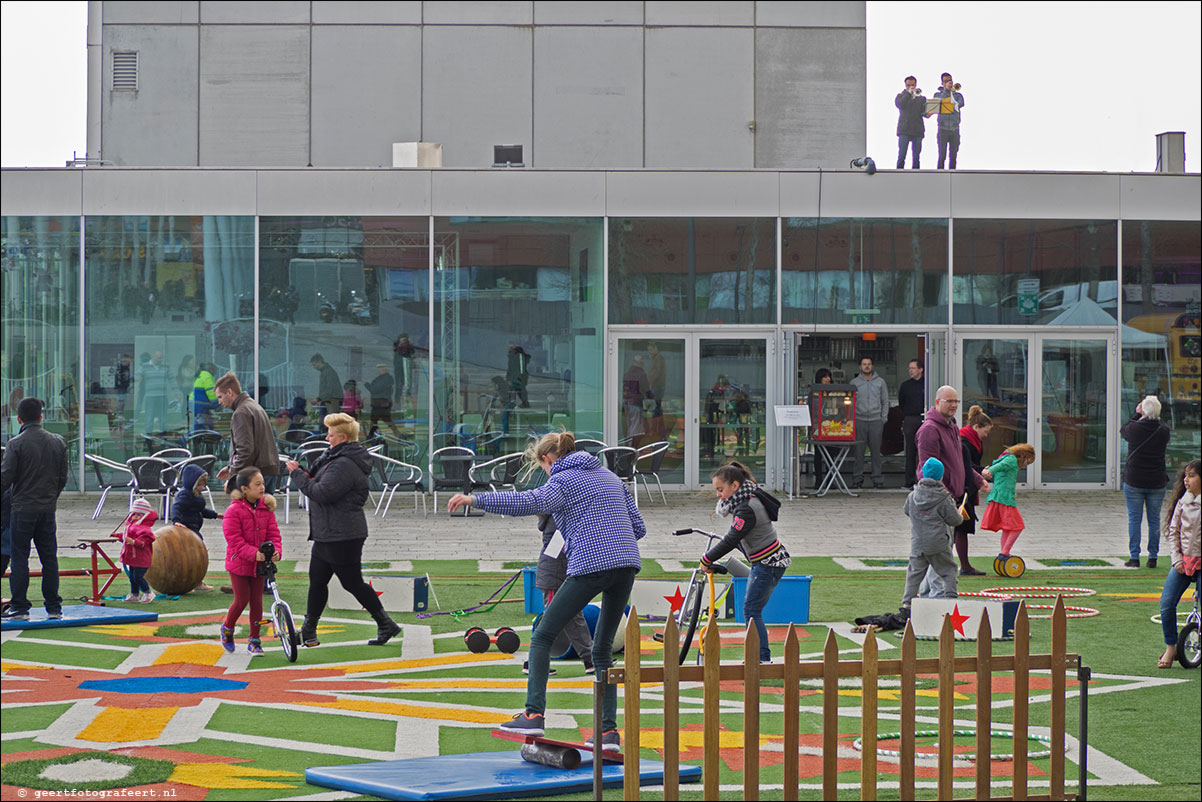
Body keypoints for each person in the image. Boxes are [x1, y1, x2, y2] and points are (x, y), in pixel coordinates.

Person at [447, 431, 645, 750]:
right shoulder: (609, 476)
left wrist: (476, 498)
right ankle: (608, 733)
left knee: (542, 636)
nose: (546, 473)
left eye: (543, 468)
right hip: (626, 565)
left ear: (548, 459)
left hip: (591, 565)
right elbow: (639, 528)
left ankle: (533, 714)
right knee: (602, 650)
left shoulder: (562, 481)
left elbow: (526, 501)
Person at [286, 413, 402, 648]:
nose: (327, 437)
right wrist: (302, 473)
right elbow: (319, 484)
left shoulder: (344, 464)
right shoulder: (337, 459)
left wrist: (297, 475)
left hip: (341, 534)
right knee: (317, 581)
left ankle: (385, 623)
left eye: (330, 433)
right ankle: (309, 630)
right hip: (330, 532)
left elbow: (322, 493)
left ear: (342, 437)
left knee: (352, 583)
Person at [702, 461, 790, 664]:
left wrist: (707, 558)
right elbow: (736, 537)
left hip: (767, 563)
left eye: (720, 489)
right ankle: (760, 656)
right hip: (768, 561)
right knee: (752, 608)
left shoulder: (746, 508)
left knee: (751, 610)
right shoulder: (749, 498)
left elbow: (732, 538)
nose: (718, 495)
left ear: (734, 485)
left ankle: (762, 658)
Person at [0, 398, 68, 621]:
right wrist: (50, 498)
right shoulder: (58, 442)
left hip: (21, 508)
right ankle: (54, 606)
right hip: (47, 509)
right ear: (41, 416)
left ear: (18, 419)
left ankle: (20, 606)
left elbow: (6, 477)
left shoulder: (15, 444)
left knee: (20, 557)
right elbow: (62, 479)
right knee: (49, 558)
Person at [220, 467, 282, 656]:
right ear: (245, 489)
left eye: (263, 483)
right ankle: (227, 628)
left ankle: (255, 640)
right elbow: (234, 540)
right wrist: (253, 553)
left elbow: (273, 534)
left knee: (257, 601)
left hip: (260, 564)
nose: (262, 487)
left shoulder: (266, 508)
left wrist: (276, 551)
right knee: (241, 600)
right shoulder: (234, 511)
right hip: (240, 564)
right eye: (258, 484)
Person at [529, 513, 594, 676]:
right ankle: (532, 662)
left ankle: (590, 659)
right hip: (554, 579)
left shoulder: (559, 517)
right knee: (551, 621)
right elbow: (560, 550)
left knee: (575, 617)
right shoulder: (559, 520)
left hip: (561, 578)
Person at [900, 457, 964, 613]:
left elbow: (907, 511)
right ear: (941, 477)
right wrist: (959, 513)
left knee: (914, 574)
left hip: (918, 543)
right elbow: (955, 520)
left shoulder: (912, 496)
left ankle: (907, 604)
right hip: (938, 543)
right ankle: (951, 601)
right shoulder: (943, 498)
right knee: (948, 570)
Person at [1158, 460, 1201, 668]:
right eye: (1185, 475)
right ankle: (1171, 647)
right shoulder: (1183, 503)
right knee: (1166, 603)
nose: (1186, 480)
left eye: (1192, 475)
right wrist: (1177, 561)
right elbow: (1173, 533)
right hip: (1184, 562)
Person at [1121, 395, 1171, 567]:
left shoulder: (1134, 429)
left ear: (1142, 410)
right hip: (1157, 481)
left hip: (1134, 480)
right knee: (1154, 519)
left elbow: (1123, 430)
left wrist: (1137, 415)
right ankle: (1153, 557)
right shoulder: (1164, 431)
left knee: (1134, 519)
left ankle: (1134, 557)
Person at [213, 372, 281, 494]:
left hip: (254, 475)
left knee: (248, 512)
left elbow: (245, 450)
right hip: (267, 470)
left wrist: (233, 473)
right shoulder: (253, 406)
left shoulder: (241, 412)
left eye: (220, 397)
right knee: (263, 512)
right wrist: (230, 468)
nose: (219, 402)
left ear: (229, 392)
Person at [980, 443, 1037, 563]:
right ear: (1023, 456)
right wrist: (988, 472)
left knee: (1008, 528)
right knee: (1018, 526)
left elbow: (999, 467)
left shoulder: (1006, 457)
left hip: (999, 497)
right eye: (1028, 461)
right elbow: (998, 467)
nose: (1026, 464)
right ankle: (1004, 552)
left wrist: (989, 471)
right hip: (1004, 499)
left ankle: (1004, 553)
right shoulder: (1011, 460)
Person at [170, 463, 221, 592]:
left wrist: (215, 515)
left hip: (194, 528)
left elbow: (201, 510)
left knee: (196, 555)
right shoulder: (185, 495)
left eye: (203, 485)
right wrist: (176, 521)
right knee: (195, 555)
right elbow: (176, 507)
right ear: (191, 483)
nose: (202, 487)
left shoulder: (195, 495)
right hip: (187, 529)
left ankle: (196, 581)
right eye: (199, 485)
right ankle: (195, 581)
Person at [954, 405, 992, 576]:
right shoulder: (964, 442)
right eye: (985, 431)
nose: (986, 435)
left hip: (967, 485)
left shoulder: (970, 440)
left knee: (961, 527)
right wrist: (982, 471)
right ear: (976, 427)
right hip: (963, 488)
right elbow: (966, 466)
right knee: (961, 527)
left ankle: (965, 565)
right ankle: (965, 566)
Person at [850, 357, 889, 489]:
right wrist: (853, 419)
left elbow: (885, 401)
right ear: (860, 367)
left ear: (873, 366)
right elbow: (850, 403)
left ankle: (877, 479)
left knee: (876, 452)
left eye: (869, 364)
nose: (866, 366)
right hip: (859, 420)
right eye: (864, 364)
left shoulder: (880, 382)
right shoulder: (854, 383)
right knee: (858, 452)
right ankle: (857, 479)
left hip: (875, 421)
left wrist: (883, 418)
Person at [118, 498, 157, 603]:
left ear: (142, 516)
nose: (133, 516)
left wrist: (134, 542)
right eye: (133, 514)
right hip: (133, 557)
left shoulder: (145, 529)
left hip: (141, 559)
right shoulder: (132, 526)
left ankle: (148, 592)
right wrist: (118, 536)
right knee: (132, 577)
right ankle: (135, 594)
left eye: (137, 514)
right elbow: (127, 537)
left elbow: (143, 542)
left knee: (137, 577)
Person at [898, 359, 926, 489]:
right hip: (910, 418)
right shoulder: (905, 386)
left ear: (920, 369)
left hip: (924, 418)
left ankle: (923, 480)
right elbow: (901, 403)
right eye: (909, 368)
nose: (910, 370)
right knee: (910, 451)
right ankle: (909, 481)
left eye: (913, 368)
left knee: (924, 450)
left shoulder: (927, 384)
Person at [930, 72, 965, 169]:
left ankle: (952, 175)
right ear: (942, 83)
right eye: (946, 81)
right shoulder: (937, 94)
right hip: (942, 128)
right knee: (942, 155)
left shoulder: (958, 95)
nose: (948, 83)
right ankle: (939, 174)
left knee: (953, 156)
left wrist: (951, 93)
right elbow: (937, 104)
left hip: (954, 129)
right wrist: (946, 91)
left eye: (950, 81)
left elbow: (960, 104)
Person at [808, 369, 835, 490]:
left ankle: (831, 480)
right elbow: (811, 409)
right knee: (818, 454)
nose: (827, 379)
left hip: (831, 426)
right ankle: (818, 480)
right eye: (825, 377)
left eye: (829, 376)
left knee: (831, 454)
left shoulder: (834, 391)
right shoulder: (814, 392)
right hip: (818, 426)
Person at [895, 75, 926, 169]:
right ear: (905, 86)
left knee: (916, 157)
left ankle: (916, 176)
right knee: (902, 155)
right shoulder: (900, 96)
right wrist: (908, 93)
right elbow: (900, 105)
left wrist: (930, 112)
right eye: (909, 85)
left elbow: (924, 113)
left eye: (913, 85)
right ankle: (899, 174)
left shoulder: (921, 98)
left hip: (917, 130)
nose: (911, 87)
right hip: (904, 129)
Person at [137, 350, 172, 434]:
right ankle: (148, 439)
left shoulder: (165, 367)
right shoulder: (145, 366)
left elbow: (172, 379)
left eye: (161, 358)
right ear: (154, 357)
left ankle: (164, 437)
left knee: (162, 418)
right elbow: (137, 374)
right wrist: (138, 377)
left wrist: (176, 391)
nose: (160, 360)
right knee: (149, 417)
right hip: (151, 396)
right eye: (158, 358)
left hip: (162, 396)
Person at [366, 364, 402, 438]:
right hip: (380, 402)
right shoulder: (385, 379)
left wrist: (367, 385)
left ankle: (371, 435)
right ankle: (371, 435)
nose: (378, 371)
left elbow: (375, 389)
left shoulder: (385, 379)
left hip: (381, 403)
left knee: (378, 419)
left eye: (380, 369)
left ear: (384, 370)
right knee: (380, 420)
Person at [623, 355, 650, 444]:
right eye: (642, 362)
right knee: (635, 428)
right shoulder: (641, 374)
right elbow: (646, 390)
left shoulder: (627, 373)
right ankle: (631, 449)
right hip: (636, 404)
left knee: (629, 426)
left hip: (627, 403)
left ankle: (627, 447)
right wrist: (654, 398)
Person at [311, 353, 343, 426]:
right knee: (325, 423)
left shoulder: (328, 372)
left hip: (332, 400)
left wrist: (318, 399)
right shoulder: (326, 371)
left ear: (319, 361)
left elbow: (330, 389)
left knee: (328, 424)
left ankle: (325, 436)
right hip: (329, 400)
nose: (313, 367)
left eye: (314, 364)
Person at [191, 362, 219, 430]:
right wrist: (217, 404)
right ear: (210, 369)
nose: (215, 374)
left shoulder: (199, 375)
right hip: (201, 405)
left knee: (197, 424)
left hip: (194, 403)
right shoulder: (207, 376)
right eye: (215, 371)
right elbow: (211, 393)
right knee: (203, 426)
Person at [393, 333, 417, 408]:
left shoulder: (409, 347)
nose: (404, 342)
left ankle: (405, 399)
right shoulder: (397, 347)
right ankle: (398, 400)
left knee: (407, 383)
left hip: (406, 366)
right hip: (399, 367)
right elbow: (397, 354)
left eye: (405, 340)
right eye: (402, 340)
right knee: (399, 383)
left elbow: (412, 352)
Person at [507, 343, 531, 408]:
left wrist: (519, 377)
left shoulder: (518, 356)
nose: (508, 349)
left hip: (517, 378)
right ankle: (522, 403)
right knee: (516, 391)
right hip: (517, 378)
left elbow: (520, 369)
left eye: (511, 348)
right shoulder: (513, 357)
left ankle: (522, 404)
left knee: (516, 391)